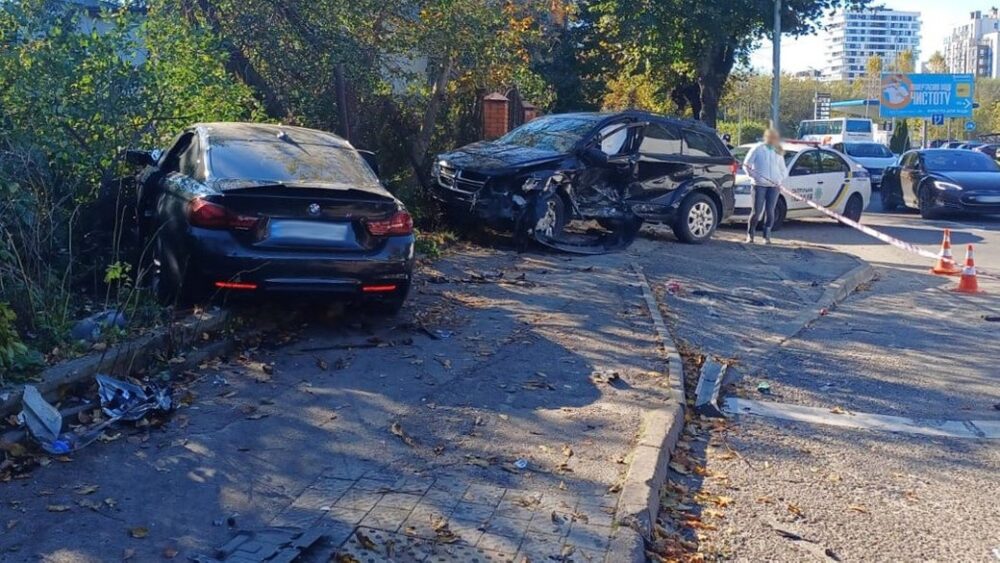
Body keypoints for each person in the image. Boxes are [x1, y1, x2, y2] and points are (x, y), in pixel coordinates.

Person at [742, 128, 788, 244]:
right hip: (759, 185)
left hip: (774, 186)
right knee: (756, 211)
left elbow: (783, 169)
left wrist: (779, 179)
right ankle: (750, 234)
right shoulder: (758, 149)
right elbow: (746, 165)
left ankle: (766, 236)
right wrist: (754, 177)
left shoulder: (778, 150)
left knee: (770, 211)